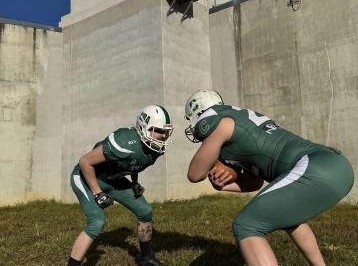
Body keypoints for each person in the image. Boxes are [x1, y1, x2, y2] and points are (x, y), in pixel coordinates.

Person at [184, 89, 354, 266]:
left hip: (316, 166)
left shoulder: (221, 123)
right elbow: (256, 182)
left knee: (246, 225)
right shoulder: (238, 122)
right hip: (335, 165)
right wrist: (224, 185)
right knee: (289, 217)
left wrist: (217, 162)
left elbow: (195, 174)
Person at [67, 105, 174, 266]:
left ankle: (146, 258)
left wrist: (135, 182)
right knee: (97, 223)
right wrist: (97, 193)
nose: (163, 136)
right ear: (144, 128)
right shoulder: (124, 141)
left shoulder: (154, 149)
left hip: (112, 179)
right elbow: (85, 162)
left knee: (145, 212)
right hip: (87, 177)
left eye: (166, 132)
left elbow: (134, 164)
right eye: (159, 131)